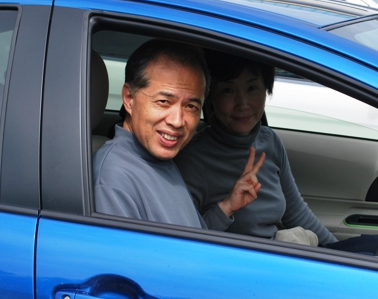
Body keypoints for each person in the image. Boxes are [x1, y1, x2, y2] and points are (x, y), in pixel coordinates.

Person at [93, 39, 264, 227]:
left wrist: (227, 206)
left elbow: (192, 235)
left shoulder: (160, 162)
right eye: (163, 102)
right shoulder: (114, 179)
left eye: (190, 106)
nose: (177, 121)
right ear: (129, 98)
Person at [175, 50, 339, 245]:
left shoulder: (270, 141)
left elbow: (296, 212)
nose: (242, 103)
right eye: (228, 90)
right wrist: (226, 207)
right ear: (210, 97)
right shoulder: (193, 158)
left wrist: (338, 251)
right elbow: (184, 240)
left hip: (279, 253)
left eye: (252, 88)